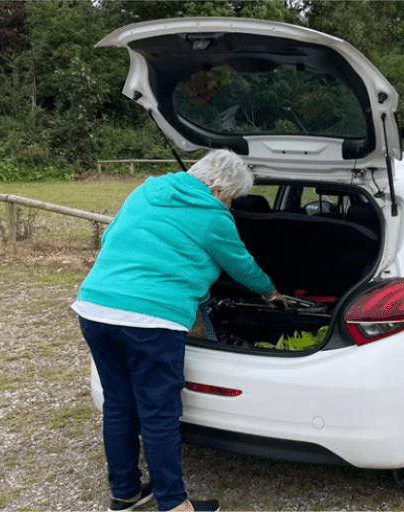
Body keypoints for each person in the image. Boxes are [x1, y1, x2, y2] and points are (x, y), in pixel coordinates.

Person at [73, 149, 286, 512]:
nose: (231, 205)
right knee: (158, 413)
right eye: (233, 198)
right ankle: (174, 505)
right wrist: (271, 293)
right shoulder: (213, 216)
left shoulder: (145, 191)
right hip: (152, 321)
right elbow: (242, 267)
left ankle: (124, 494)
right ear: (221, 189)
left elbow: (112, 237)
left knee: (120, 406)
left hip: (95, 307)